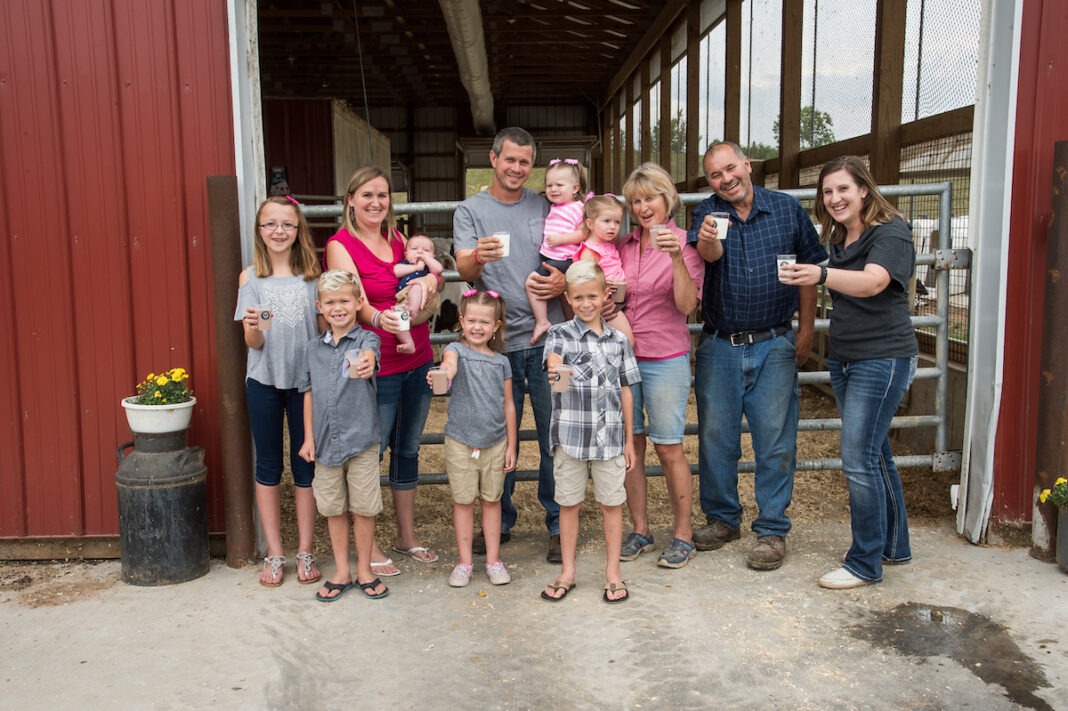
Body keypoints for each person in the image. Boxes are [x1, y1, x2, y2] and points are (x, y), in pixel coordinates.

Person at [778, 156, 918, 589]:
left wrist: (820, 273)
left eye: (843, 189)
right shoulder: (838, 236)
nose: (835, 198)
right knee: (876, 454)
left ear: (863, 189)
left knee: (857, 458)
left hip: (884, 356)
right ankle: (894, 545)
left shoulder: (890, 231)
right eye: (827, 191)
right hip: (846, 357)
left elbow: (875, 281)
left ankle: (864, 563)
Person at [687, 141, 827, 571]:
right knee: (716, 439)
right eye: (715, 174)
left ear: (747, 165)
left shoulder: (786, 209)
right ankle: (723, 518)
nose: (725, 179)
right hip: (720, 343)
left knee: (775, 440)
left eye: (731, 168)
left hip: (774, 341)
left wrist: (805, 332)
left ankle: (771, 529)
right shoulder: (705, 214)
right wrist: (709, 240)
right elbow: (707, 258)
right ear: (708, 181)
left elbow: (809, 273)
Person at [454, 126, 565, 563]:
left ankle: (558, 523)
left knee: (554, 434)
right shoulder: (471, 210)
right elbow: (463, 268)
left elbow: (575, 249)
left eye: (525, 161)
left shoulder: (544, 205)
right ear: (493, 159)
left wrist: (563, 277)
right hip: (494, 347)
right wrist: (477, 256)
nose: (517, 168)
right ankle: (499, 520)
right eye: (510, 160)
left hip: (548, 339)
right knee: (496, 434)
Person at [325, 166, 439, 574]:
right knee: (370, 454)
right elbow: (353, 298)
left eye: (383, 195)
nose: (376, 203)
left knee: (408, 448)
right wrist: (378, 321)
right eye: (367, 195)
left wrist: (428, 287)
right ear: (351, 199)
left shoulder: (397, 238)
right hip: (378, 362)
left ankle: (406, 536)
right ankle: (367, 545)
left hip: (417, 356)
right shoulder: (340, 245)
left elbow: (422, 279)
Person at [615, 163, 705, 569]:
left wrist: (676, 260)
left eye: (649, 197)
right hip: (622, 360)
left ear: (668, 198)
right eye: (636, 201)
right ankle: (640, 529)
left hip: (665, 358)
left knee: (668, 447)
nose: (642, 207)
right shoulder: (622, 245)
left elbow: (687, 305)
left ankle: (683, 534)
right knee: (630, 448)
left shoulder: (686, 245)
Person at [235, 196, 323, 587]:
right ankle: (275, 552)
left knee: (305, 464)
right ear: (259, 231)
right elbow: (253, 343)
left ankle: (305, 550)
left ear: (298, 230)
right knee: (268, 464)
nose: (278, 231)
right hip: (264, 381)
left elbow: (322, 335)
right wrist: (253, 324)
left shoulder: (313, 277)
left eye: (287, 224)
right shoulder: (250, 278)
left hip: (305, 384)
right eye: (269, 224)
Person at [541, 262, 640, 603]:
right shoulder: (559, 335)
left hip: (610, 438)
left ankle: (613, 573)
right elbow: (553, 363)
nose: (586, 304)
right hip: (570, 438)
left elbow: (626, 389)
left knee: (612, 504)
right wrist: (556, 369)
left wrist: (629, 440)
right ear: (567, 298)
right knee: (569, 503)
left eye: (593, 296)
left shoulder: (619, 341)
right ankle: (568, 570)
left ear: (605, 296)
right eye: (578, 297)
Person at [297, 269, 388, 602]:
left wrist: (367, 364)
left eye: (345, 301)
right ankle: (341, 571)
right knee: (334, 507)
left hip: (361, 439)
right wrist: (308, 438)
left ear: (358, 302)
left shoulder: (366, 340)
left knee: (364, 507)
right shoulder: (311, 349)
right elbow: (307, 393)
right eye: (330, 302)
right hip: (323, 443)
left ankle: (364, 569)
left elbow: (371, 358)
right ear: (319, 306)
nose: (338, 308)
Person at [430, 290, 517, 587]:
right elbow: (449, 366)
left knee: (492, 501)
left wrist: (512, 445)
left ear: (496, 326)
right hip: (461, 440)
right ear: (462, 321)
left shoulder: (502, 363)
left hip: (495, 441)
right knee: (463, 501)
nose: (477, 327)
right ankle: (465, 562)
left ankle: (493, 560)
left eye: (485, 322)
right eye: (472, 321)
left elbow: (509, 405)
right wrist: (443, 373)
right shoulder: (456, 350)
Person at [528, 158, 587, 344]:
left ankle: (542, 321)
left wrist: (561, 239)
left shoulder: (578, 207)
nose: (553, 189)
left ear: (575, 188)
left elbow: (584, 232)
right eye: (549, 185)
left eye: (559, 185)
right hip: (552, 257)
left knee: (531, 283)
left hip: (564, 258)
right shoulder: (554, 206)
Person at [575, 194, 634, 345]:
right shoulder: (590, 251)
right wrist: (603, 283)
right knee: (627, 343)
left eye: (617, 222)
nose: (613, 227)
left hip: (617, 300)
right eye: (606, 221)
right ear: (590, 223)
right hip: (605, 305)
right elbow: (584, 280)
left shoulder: (608, 244)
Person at [392, 234, 444, 354]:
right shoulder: (405, 264)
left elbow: (439, 269)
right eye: (414, 249)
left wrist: (426, 260)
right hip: (404, 297)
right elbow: (396, 271)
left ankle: (413, 312)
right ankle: (408, 342)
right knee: (398, 318)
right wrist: (415, 268)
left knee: (417, 286)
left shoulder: (429, 267)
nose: (420, 252)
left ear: (433, 256)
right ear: (405, 254)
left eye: (426, 251)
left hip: (423, 296)